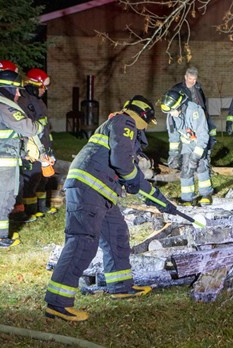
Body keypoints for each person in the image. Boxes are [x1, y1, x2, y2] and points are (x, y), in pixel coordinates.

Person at [44, 96, 176, 321]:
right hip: (89, 188)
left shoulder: (121, 127)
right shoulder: (125, 123)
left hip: (101, 192)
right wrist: (134, 180)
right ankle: (58, 303)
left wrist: (159, 199)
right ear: (142, 115)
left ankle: (121, 286)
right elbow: (123, 164)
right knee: (82, 242)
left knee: (116, 235)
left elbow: (130, 173)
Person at [0, 70, 44, 248]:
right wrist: (41, 124)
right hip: (1, 164)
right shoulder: (3, 108)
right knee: (2, 198)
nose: (18, 94)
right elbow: (29, 129)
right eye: (15, 90)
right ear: (6, 89)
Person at [161, 89, 213, 206]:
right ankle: (187, 199)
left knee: (200, 166)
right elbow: (173, 137)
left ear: (179, 105)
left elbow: (203, 136)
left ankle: (206, 195)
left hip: (200, 142)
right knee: (186, 169)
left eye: (173, 110)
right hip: (187, 144)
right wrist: (173, 155)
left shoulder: (194, 111)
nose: (172, 114)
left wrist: (196, 156)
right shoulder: (171, 116)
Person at [17, 68, 56, 222]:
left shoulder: (38, 101)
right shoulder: (23, 101)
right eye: (42, 87)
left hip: (44, 147)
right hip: (32, 150)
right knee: (31, 180)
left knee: (43, 178)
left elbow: (45, 127)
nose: (45, 90)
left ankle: (42, 207)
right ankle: (29, 211)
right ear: (33, 85)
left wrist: (49, 147)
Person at [168, 66, 216, 169]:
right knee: (188, 141)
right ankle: (184, 162)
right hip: (187, 119)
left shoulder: (198, 87)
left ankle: (205, 161)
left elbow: (202, 102)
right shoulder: (178, 89)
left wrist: (205, 114)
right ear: (185, 77)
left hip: (200, 117)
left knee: (206, 137)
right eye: (190, 79)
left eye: (194, 79)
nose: (192, 81)